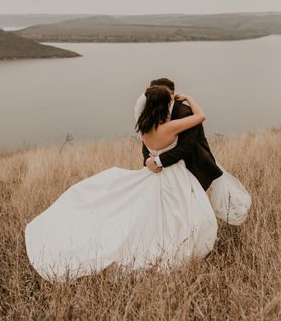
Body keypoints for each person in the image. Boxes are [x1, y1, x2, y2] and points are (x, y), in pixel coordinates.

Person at [25, 86, 218, 281]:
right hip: (173, 176)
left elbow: (151, 151)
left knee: (152, 212)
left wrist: (153, 161)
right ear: (162, 105)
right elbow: (201, 116)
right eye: (168, 102)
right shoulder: (169, 127)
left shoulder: (144, 127)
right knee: (177, 212)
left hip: (153, 173)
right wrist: (189, 98)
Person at [134, 78, 251, 226]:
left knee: (181, 204)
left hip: (191, 163)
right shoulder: (165, 123)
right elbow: (146, 146)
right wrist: (148, 161)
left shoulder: (154, 118)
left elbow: (186, 147)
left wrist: (156, 161)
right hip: (169, 170)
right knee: (176, 206)